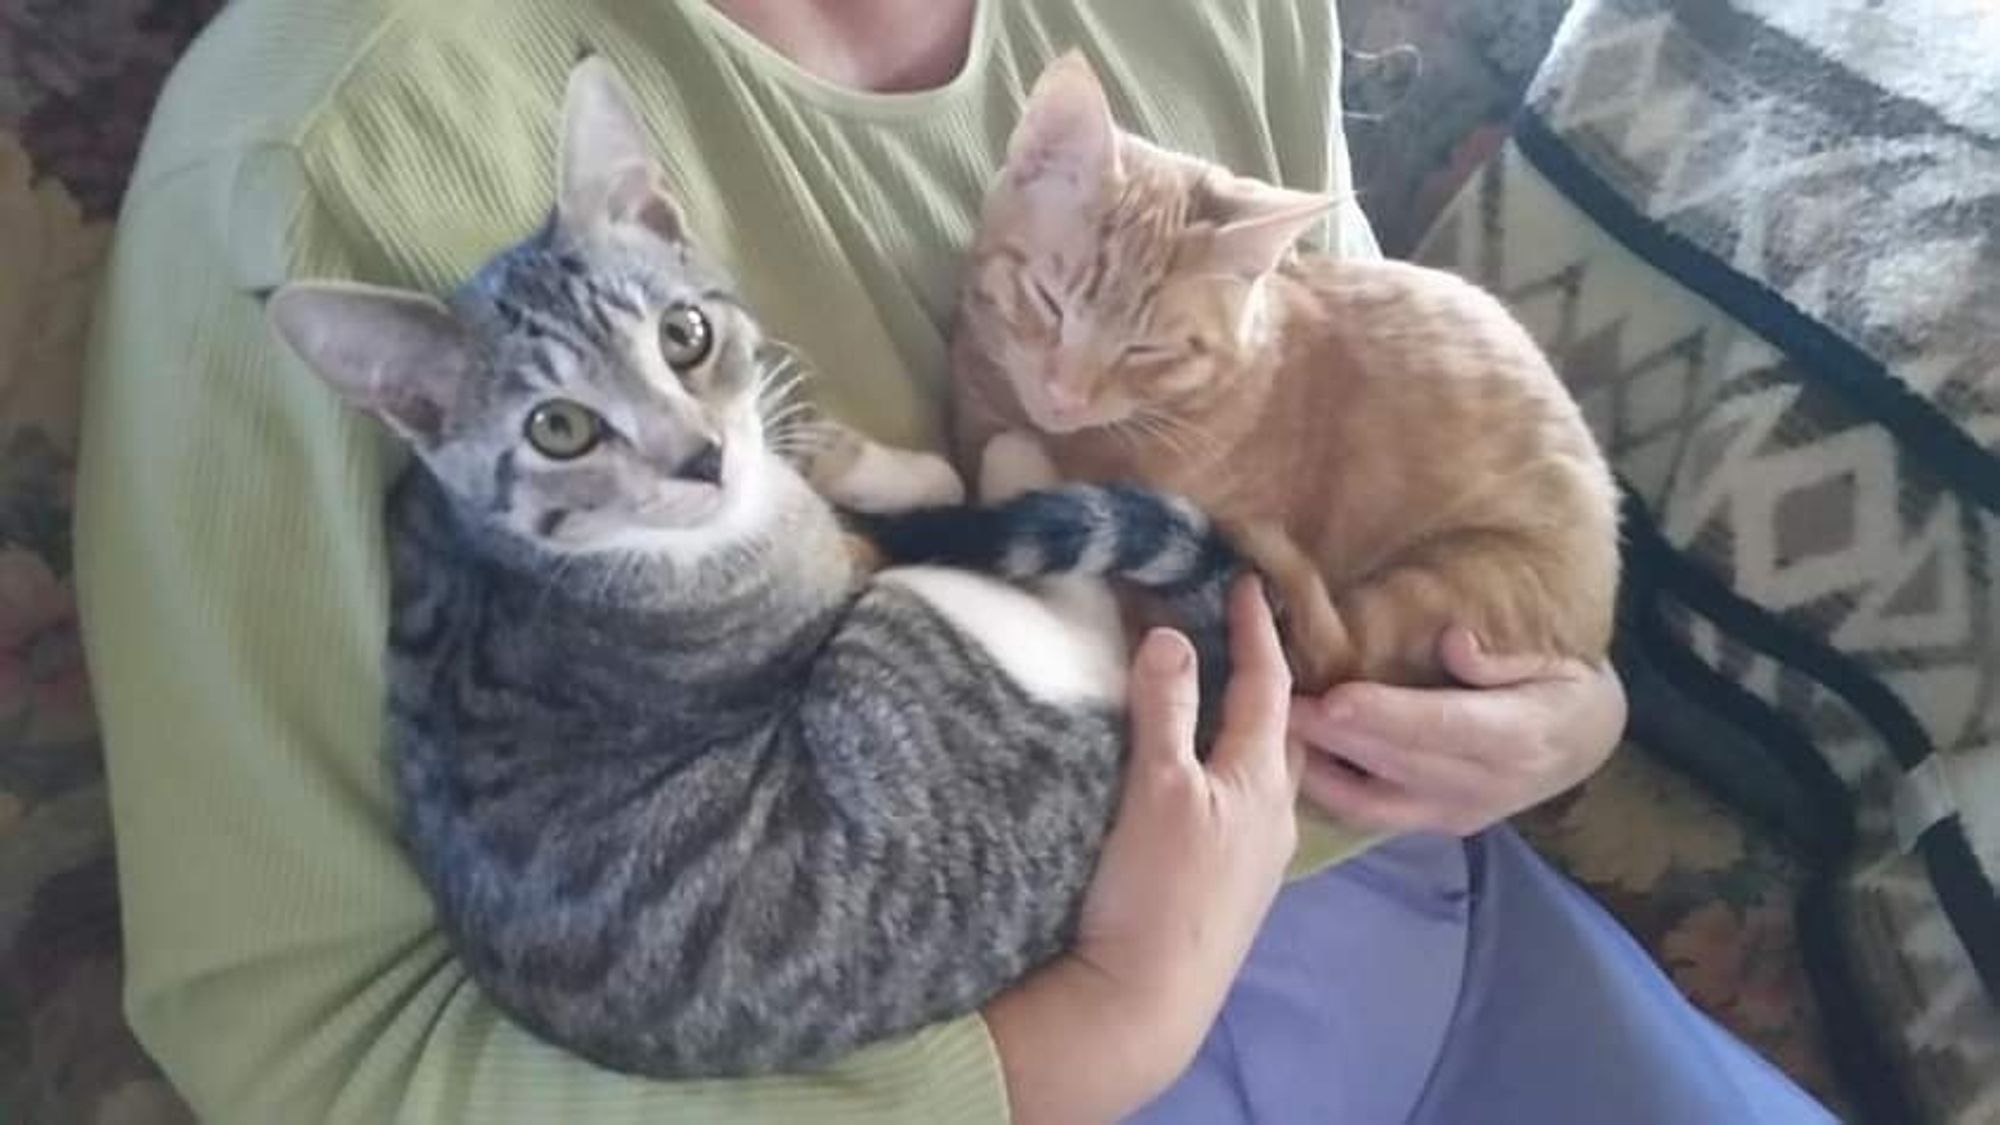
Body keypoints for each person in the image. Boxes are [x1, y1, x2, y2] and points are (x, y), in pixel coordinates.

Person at [75, 0, 1835, 1121]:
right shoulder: (326, 154)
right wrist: (1088, 1041)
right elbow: (309, 1051)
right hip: (951, 1058)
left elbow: (1355, 402)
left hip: (1420, 902)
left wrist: (1566, 700)